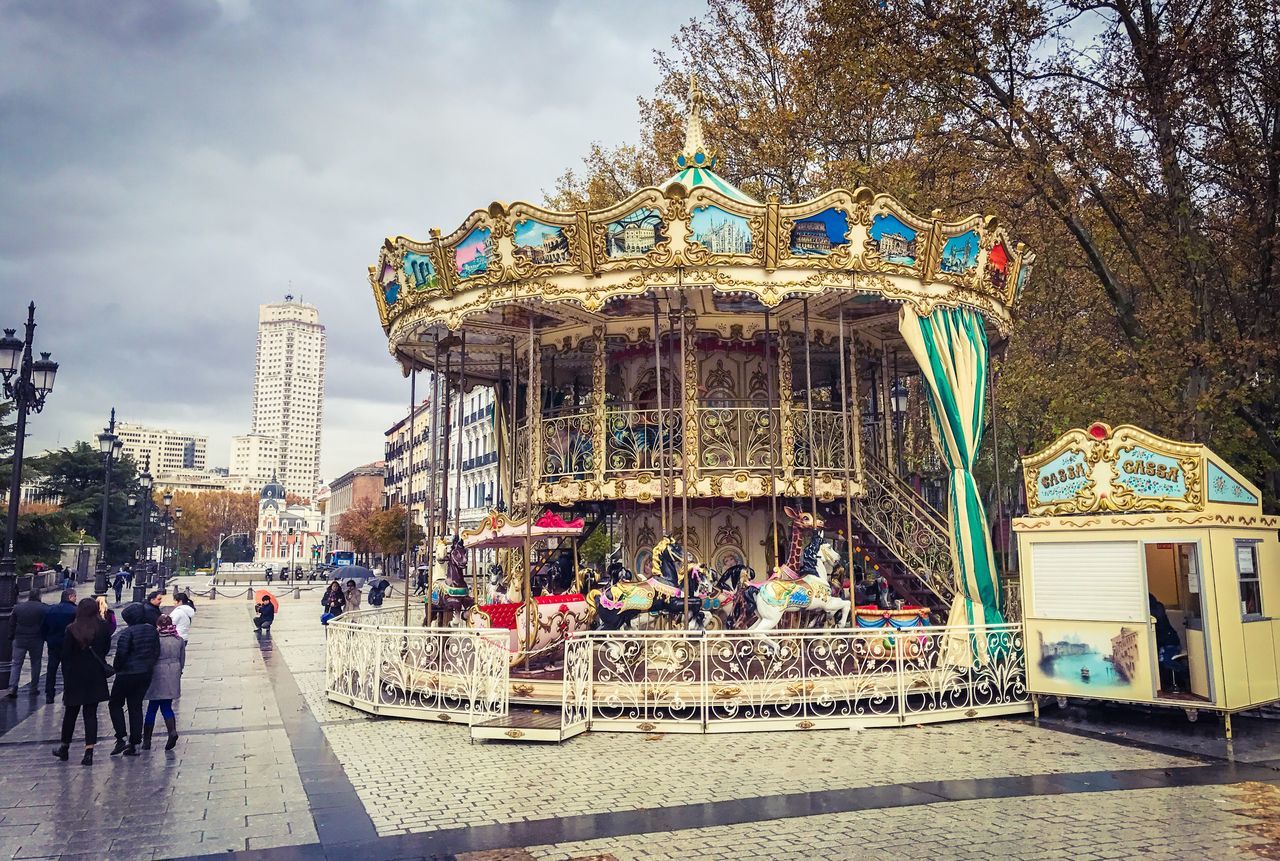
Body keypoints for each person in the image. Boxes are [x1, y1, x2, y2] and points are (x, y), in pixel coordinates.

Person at [51, 598, 112, 766]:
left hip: (76, 675)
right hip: (95, 675)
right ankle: (89, 752)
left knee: (71, 713)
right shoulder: (103, 627)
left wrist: (67, 674)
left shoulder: (72, 628)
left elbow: (66, 655)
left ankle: (64, 747)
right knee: (90, 714)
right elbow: (106, 648)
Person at [108, 603, 160, 756]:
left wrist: (116, 668)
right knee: (135, 707)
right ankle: (135, 743)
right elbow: (156, 651)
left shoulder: (127, 633)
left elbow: (121, 655)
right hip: (144, 673)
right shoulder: (152, 631)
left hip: (126, 674)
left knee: (115, 704)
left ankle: (121, 737)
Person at [142, 615, 185, 751]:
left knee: (152, 707)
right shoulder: (178, 639)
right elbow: (182, 659)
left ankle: (147, 740)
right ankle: (172, 731)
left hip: (157, 674)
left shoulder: (155, 640)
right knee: (166, 706)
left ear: (158, 625)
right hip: (173, 673)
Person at [7, 588, 48, 697]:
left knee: (16, 664)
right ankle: (33, 688)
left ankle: (12, 687)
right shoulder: (43, 608)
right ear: (39, 596)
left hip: (19, 638)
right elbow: (46, 623)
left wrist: (11, 636)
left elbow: (11, 624)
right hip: (36, 639)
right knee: (36, 663)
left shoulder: (18, 608)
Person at [41, 589, 77, 704]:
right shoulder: (75, 611)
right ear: (70, 597)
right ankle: (67, 694)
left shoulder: (51, 610)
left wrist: (48, 639)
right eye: (75, 596)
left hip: (53, 644)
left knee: (51, 670)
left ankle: (49, 695)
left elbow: (43, 627)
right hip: (69, 646)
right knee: (68, 670)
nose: (76, 599)